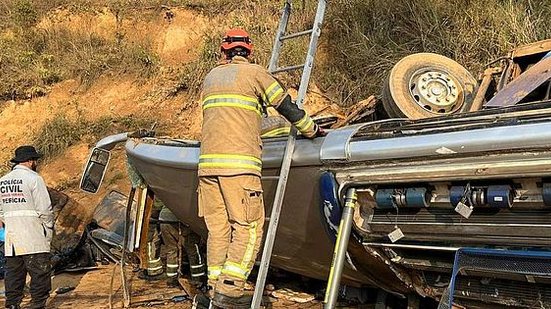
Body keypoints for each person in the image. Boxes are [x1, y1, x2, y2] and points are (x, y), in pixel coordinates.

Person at [194, 28, 324, 309]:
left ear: (224, 51)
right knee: (248, 227)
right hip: (239, 167)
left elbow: (229, 118)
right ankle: (231, 289)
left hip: (207, 169)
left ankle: (214, 286)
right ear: (248, 52)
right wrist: (310, 129)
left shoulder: (210, 79)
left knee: (218, 230)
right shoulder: (255, 74)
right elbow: (285, 106)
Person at [0, 146, 53, 309]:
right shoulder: (34, 178)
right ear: (30, 161)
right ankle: (37, 303)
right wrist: (48, 228)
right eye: (35, 160)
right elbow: (44, 208)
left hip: (12, 236)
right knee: (39, 271)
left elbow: (1, 210)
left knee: (15, 273)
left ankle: (12, 303)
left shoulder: (3, 181)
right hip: (33, 232)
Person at [158, 205, 206, 288]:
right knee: (193, 249)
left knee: (171, 250)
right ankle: (198, 279)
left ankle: (171, 279)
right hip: (184, 219)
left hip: (164, 220)